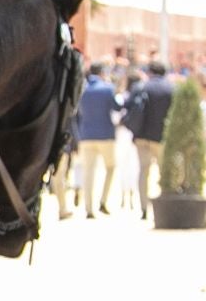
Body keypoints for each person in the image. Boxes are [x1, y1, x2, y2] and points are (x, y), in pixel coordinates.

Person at [124, 58, 176, 208]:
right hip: (160, 137)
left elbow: (127, 107)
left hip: (141, 136)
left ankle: (144, 206)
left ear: (150, 72)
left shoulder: (140, 87)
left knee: (143, 171)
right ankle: (163, 203)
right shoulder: (171, 89)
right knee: (163, 171)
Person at [74, 60, 120, 217]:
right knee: (111, 167)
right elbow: (116, 108)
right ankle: (103, 201)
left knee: (88, 172)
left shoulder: (82, 89)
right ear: (101, 73)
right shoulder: (107, 89)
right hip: (105, 135)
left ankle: (88, 208)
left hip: (85, 135)